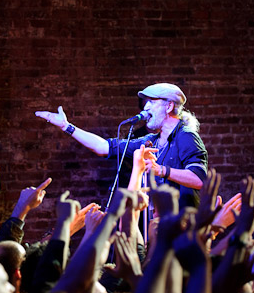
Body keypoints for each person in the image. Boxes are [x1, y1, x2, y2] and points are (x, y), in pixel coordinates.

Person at [35, 83, 208, 209]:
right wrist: (66, 126)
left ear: (169, 106)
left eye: (152, 102)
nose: (145, 108)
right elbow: (103, 147)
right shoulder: (150, 140)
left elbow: (200, 179)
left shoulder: (186, 136)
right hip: (159, 227)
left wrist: (162, 170)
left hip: (185, 229)